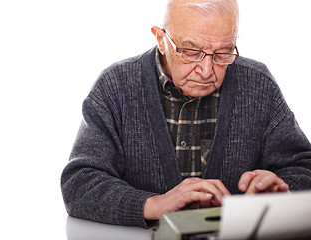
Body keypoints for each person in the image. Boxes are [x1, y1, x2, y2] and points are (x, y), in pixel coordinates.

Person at [61, 0, 311, 228]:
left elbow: (304, 167)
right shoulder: (115, 86)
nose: (206, 70)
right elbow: (79, 183)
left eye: (223, 53)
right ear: (160, 39)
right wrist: (155, 204)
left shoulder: (259, 84)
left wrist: (282, 191)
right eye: (191, 52)